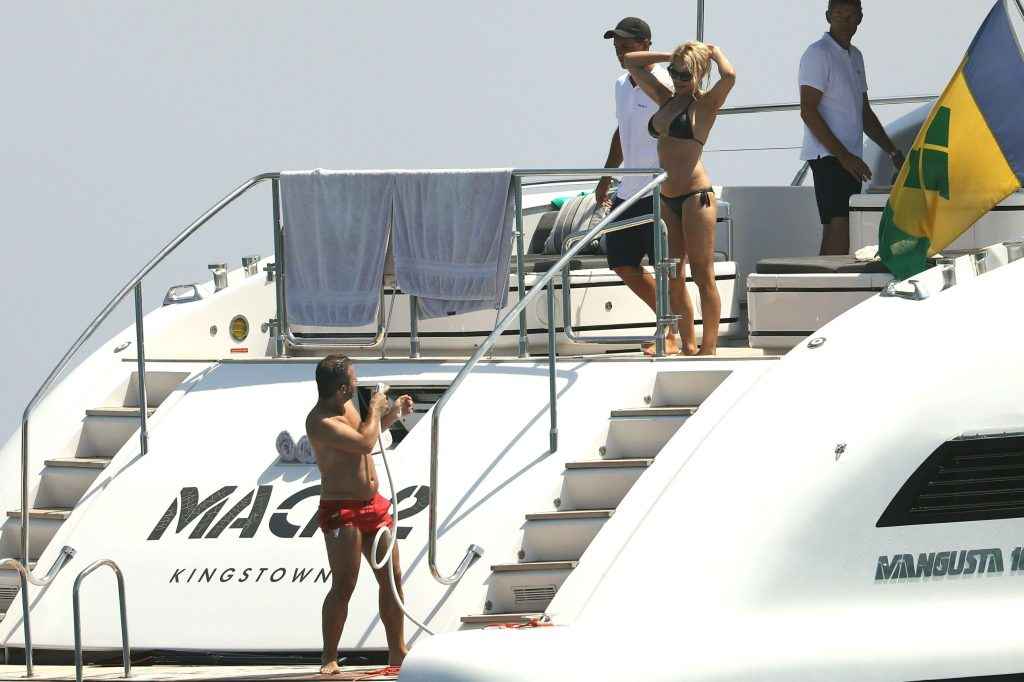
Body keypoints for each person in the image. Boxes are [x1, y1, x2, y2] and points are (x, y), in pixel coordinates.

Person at [622, 42, 735, 356]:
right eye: (674, 72)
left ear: (698, 73)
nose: (678, 79)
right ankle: (687, 344)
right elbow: (630, 61)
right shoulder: (665, 98)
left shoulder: (706, 104)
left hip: (696, 196)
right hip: (667, 198)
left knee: (702, 273)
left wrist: (713, 51)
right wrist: (670, 57)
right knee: (672, 274)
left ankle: (708, 348)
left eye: (685, 74)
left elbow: (729, 76)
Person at [306, 354, 414, 675]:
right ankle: (329, 656)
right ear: (342, 388)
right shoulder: (320, 421)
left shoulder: (348, 407)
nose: (357, 382)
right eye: (353, 379)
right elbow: (365, 443)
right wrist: (376, 408)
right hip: (343, 509)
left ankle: (397, 650)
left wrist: (392, 414)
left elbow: (369, 434)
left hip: (372, 504)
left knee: (392, 577)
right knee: (344, 584)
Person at [596, 17, 681, 356]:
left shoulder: (666, 82)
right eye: (616, 46)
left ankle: (672, 333)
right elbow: (622, 132)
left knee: (667, 267)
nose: (620, 51)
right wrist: (606, 177)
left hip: (661, 189)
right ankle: (667, 323)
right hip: (627, 191)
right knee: (620, 261)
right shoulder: (620, 84)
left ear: (646, 44)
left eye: (627, 45)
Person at [799, 0, 905, 256]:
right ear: (828, 16)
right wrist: (844, 156)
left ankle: (826, 279)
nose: (845, 21)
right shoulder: (818, 53)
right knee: (838, 224)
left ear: (860, 18)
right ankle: (826, 280)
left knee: (841, 225)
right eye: (839, 15)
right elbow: (808, 111)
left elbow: (864, 112)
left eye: (851, 15)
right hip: (829, 155)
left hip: (849, 158)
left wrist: (892, 151)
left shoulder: (855, 56)